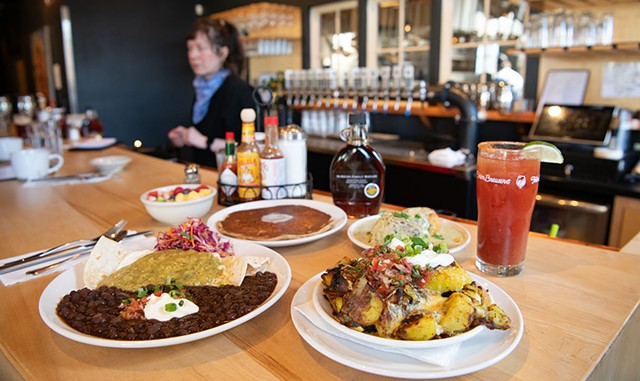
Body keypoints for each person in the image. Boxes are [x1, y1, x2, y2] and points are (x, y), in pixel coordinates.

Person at [168, 17, 254, 167]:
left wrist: (203, 141)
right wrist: (185, 137)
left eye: (200, 48)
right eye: (190, 48)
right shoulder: (201, 88)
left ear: (222, 53)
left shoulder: (240, 92)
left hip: (230, 179)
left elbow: (249, 149)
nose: (192, 55)